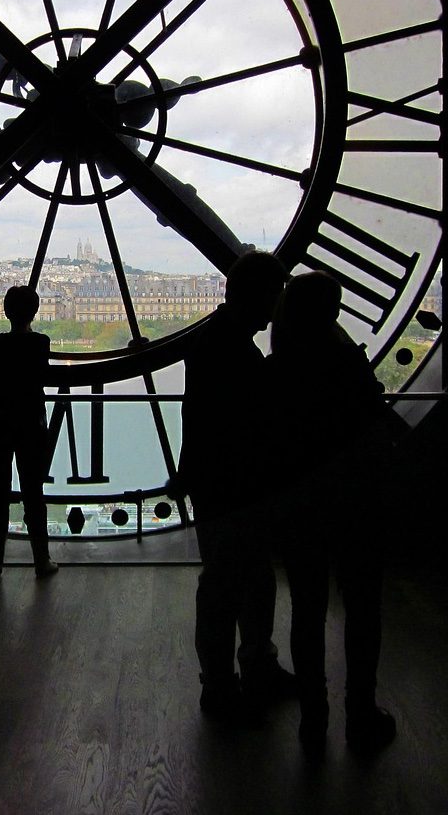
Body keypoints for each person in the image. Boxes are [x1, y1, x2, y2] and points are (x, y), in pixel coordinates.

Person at [268, 270, 403, 756]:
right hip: (356, 504)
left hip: (301, 505)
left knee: (307, 612)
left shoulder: (278, 367)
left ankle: (314, 714)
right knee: (363, 611)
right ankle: (360, 712)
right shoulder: (346, 364)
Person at [171, 250, 294, 722]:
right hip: (238, 485)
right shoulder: (235, 348)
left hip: (218, 484)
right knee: (245, 582)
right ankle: (246, 669)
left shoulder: (213, 343)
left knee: (226, 584)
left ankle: (222, 683)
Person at [0, 286, 58, 578]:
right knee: (33, 494)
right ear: (34, 312)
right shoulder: (40, 342)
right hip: (30, 423)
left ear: (6, 311)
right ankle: (41, 559)